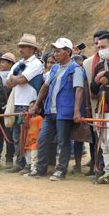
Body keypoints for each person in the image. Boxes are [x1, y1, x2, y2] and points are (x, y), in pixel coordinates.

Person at [31, 37, 83, 181]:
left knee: (63, 142)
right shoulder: (54, 68)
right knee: (42, 139)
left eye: (58, 51)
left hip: (65, 112)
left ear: (68, 52)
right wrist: (37, 104)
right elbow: (45, 87)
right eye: (54, 51)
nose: (55, 54)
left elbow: (79, 90)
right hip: (50, 111)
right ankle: (41, 169)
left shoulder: (75, 69)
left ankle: (60, 171)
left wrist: (77, 111)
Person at [6, 34, 44, 173]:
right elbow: (9, 83)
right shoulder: (19, 64)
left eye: (24, 46)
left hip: (30, 103)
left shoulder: (36, 64)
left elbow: (21, 80)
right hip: (17, 102)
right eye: (20, 46)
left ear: (32, 49)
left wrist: (15, 78)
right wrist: (16, 78)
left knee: (29, 135)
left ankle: (28, 164)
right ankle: (20, 162)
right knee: (17, 135)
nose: (21, 49)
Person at [89, 33, 109, 184]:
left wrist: (108, 77)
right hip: (101, 109)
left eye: (103, 47)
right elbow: (93, 89)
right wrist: (97, 82)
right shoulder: (98, 65)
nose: (100, 50)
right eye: (98, 47)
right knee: (103, 143)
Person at [0, 52, 16, 168]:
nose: (2, 63)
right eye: (1, 61)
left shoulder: (10, 76)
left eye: (5, 62)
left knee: (8, 134)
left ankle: (9, 159)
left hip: (7, 108)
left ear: (11, 64)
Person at [22, 101, 43, 177]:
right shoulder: (28, 118)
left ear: (39, 110)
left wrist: (39, 141)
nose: (30, 109)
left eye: (33, 107)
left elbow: (41, 130)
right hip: (28, 142)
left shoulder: (39, 118)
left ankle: (34, 171)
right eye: (29, 107)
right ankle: (31, 170)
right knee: (28, 158)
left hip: (35, 142)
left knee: (34, 157)